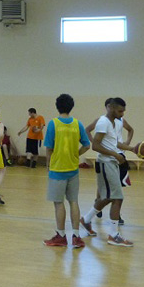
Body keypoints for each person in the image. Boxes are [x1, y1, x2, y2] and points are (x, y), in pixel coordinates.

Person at [80, 97, 137, 247]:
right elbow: (96, 146)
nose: (122, 114)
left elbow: (115, 143)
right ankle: (113, 235)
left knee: (107, 197)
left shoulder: (116, 123)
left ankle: (86, 219)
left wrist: (132, 148)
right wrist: (115, 155)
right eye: (120, 111)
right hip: (106, 163)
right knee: (117, 197)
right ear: (110, 107)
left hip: (112, 163)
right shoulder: (103, 122)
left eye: (123, 111)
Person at [42, 94, 91, 248]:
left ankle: (61, 236)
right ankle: (76, 236)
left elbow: (49, 148)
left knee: (59, 203)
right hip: (73, 169)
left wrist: (48, 165)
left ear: (57, 106)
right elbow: (87, 145)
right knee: (73, 201)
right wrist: (76, 154)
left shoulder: (53, 124)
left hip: (57, 169)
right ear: (71, 107)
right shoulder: (77, 124)